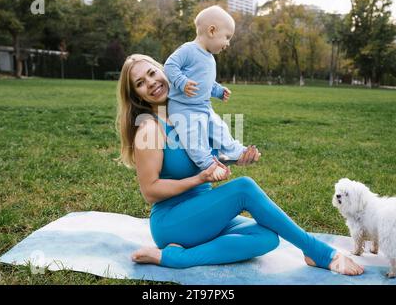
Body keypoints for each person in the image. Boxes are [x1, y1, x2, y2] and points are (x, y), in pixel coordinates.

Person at [116, 54, 364, 275]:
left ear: (163, 71)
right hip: (173, 221)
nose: (150, 82)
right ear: (136, 94)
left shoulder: (191, 112)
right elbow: (150, 191)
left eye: (151, 73)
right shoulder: (150, 127)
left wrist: (236, 158)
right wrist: (199, 179)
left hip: (203, 215)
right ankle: (318, 252)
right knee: (244, 188)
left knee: (267, 237)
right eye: (140, 83)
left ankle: (177, 255)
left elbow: (205, 160)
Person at [164, 5, 246, 180]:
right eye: (227, 37)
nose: (228, 43)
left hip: (203, 106)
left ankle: (235, 150)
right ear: (212, 31)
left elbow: (206, 82)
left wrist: (218, 90)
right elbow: (169, 66)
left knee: (220, 128)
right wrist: (181, 82)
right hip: (183, 108)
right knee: (194, 138)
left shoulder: (210, 58)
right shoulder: (188, 49)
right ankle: (208, 164)